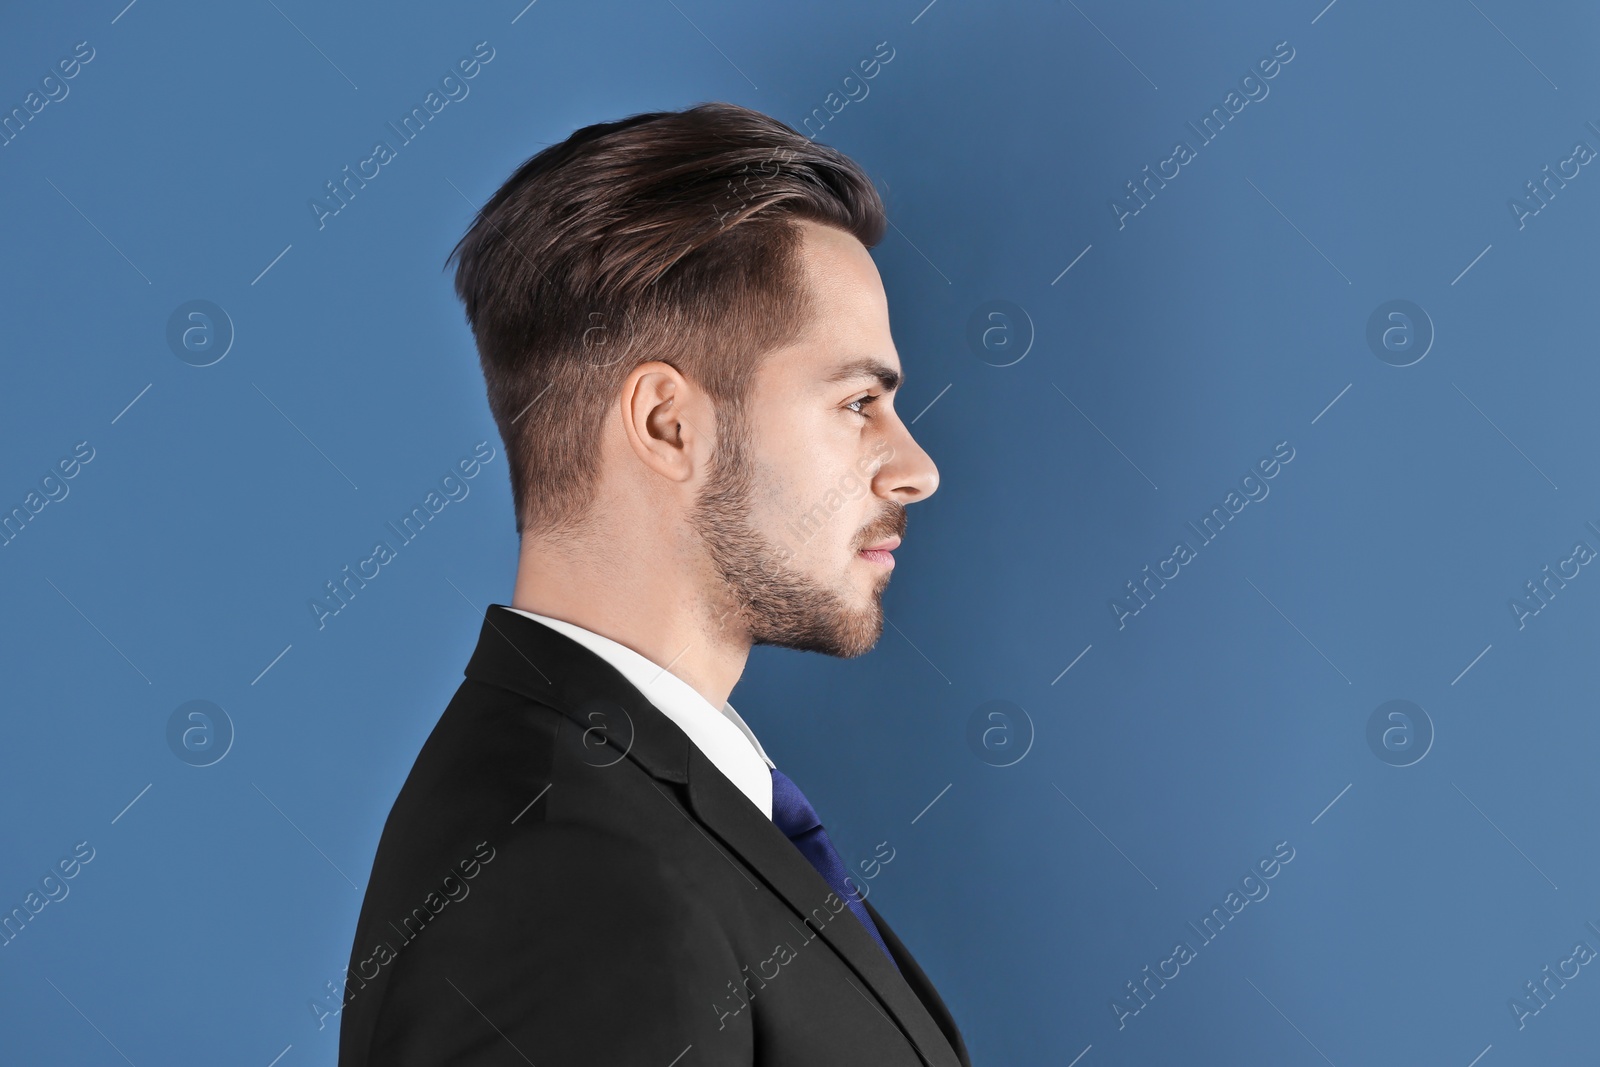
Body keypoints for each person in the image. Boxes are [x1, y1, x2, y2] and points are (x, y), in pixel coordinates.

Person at [337, 101, 966, 1066]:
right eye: (858, 402)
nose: (915, 466)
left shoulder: (638, 809)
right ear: (670, 424)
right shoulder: (570, 875)